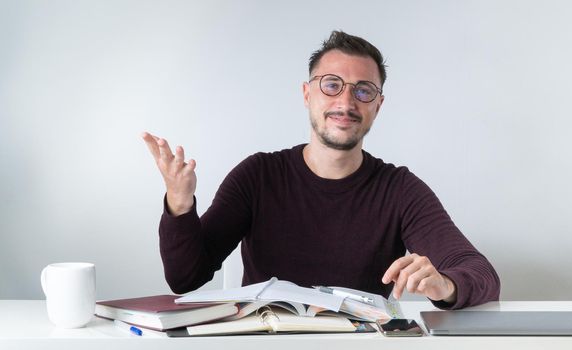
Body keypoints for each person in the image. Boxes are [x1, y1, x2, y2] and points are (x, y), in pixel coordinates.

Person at [142, 31, 500, 309]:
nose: (346, 102)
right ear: (307, 94)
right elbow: (185, 278)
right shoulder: (258, 175)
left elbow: (482, 275)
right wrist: (179, 204)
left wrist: (445, 286)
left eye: (363, 91)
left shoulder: (400, 189)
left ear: (378, 105)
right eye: (332, 85)